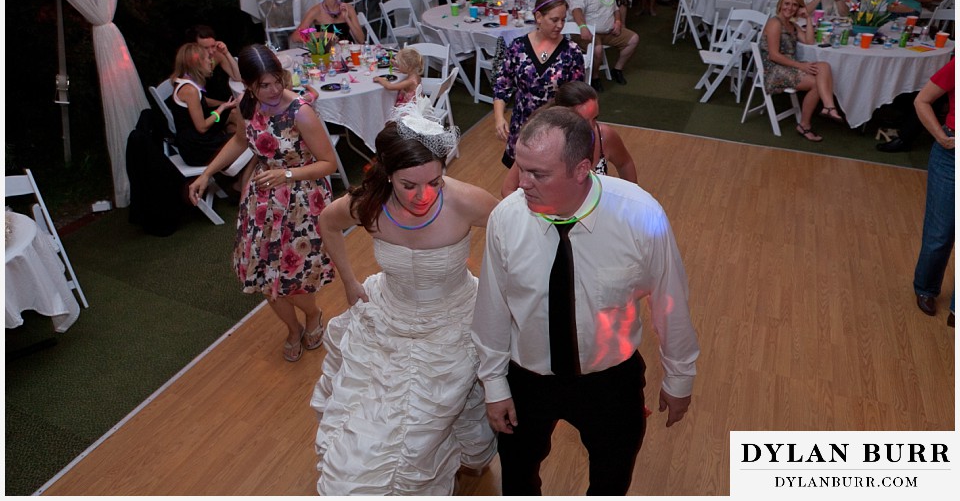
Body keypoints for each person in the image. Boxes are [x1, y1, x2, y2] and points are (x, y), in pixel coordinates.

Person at [472, 106, 700, 495]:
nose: (520, 183)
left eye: (537, 174)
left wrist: (679, 378)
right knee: (518, 476)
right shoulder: (506, 219)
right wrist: (495, 385)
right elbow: (492, 307)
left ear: (582, 170)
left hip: (610, 383)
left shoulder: (641, 216)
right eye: (520, 168)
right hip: (527, 379)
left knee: (611, 480)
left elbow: (669, 301)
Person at [311, 99, 499, 494]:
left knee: (423, 426)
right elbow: (327, 222)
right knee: (371, 426)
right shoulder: (369, 204)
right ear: (387, 174)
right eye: (408, 185)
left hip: (452, 320)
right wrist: (347, 281)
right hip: (387, 319)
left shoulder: (467, 201)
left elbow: (515, 238)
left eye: (435, 183)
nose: (423, 196)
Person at [188, 44, 339, 362]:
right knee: (263, 275)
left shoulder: (301, 112)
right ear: (249, 86)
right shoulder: (246, 105)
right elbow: (241, 140)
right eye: (263, 85)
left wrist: (286, 174)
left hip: (301, 200)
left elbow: (328, 164)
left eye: (276, 82)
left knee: (295, 278)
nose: (272, 91)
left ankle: (312, 315)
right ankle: (292, 328)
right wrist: (206, 174)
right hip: (261, 202)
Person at [492, 0, 586, 168]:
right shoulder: (517, 47)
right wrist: (499, 118)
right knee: (519, 182)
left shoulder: (572, 52)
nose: (560, 25)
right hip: (521, 128)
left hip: (555, 130)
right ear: (538, 17)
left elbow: (577, 97)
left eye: (563, 20)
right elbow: (502, 86)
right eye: (554, 19)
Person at [500, 80, 638, 196]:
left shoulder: (604, 137)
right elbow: (507, 189)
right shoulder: (541, 143)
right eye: (583, 120)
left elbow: (625, 163)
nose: (591, 127)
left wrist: (632, 198)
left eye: (595, 118)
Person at [760, 0, 842, 142]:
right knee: (817, 84)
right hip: (775, 69)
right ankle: (805, 125)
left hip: (789, 66)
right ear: (780, 4)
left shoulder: (792, 25)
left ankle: (828, 106)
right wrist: (801, 66)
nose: (789, 8)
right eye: (787, 3)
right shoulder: (775, 23)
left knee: (824, 66)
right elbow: (774, 55)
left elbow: (810, 41)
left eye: (794, 5)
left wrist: (809, 18)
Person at [911, 60, 954, 326]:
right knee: (940, 232)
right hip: (951, 156)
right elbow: (922, 101)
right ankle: (925, 288)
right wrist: (942, 138)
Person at [166, 43, 242, 166]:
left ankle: (232, 174)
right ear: (197, 63)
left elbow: (203, 101)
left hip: (195, 140)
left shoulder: (185, 80)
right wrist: (221, 109)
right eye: (208, 59)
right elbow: (201, 127)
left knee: (234, 116)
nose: (211, 62)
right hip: (197, 148)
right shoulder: (189, 90)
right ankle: (238, 182)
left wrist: (227, 104)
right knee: (246, 141)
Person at [569, 0, 639, 88]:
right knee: (597, 49)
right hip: (588, 32)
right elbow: (576, 10)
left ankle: (617, 69)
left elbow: (615, 9)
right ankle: (594, 77)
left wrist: (618, 22)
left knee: (634, 39)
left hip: (609, 31)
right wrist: (582, 27)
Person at [291, 0, 365, 45]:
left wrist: (347, 19)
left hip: (347, 51)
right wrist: (324, 35)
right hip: (326, 53)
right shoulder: (316, 11)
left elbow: (361, 40)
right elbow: (295, 37)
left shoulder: (348, 8)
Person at [184, 24, 241, 102]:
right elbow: (200, 100)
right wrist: (225, 105)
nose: (211, 52)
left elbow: (238, 77)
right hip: (205, 106)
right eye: (205, 48)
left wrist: (226, 53)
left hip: (224, 100)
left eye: (213, 46)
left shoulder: (217, 54)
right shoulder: (191, 65)